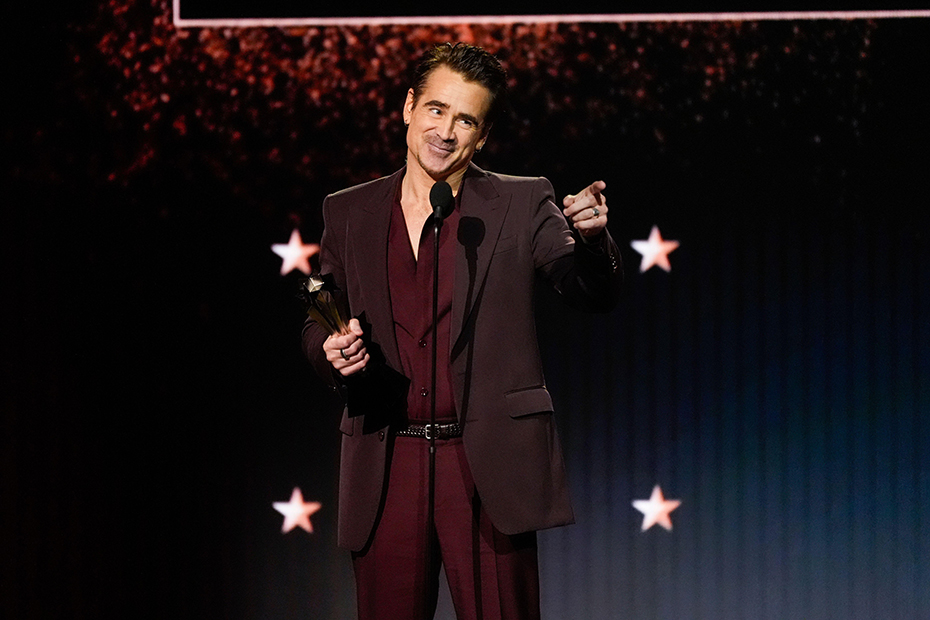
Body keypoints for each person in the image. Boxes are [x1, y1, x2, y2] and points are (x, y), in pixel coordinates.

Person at [302, 42, 622, 620]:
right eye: (436, 109)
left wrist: (594, 242)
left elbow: (588, 291)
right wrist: (330, 351)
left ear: (483, 135)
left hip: (486, 468)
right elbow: (321, 313)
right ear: (408, 107)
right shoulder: (348, 212)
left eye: (465, 119)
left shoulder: (523, 202)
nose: (445, 131)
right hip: (386, 463)